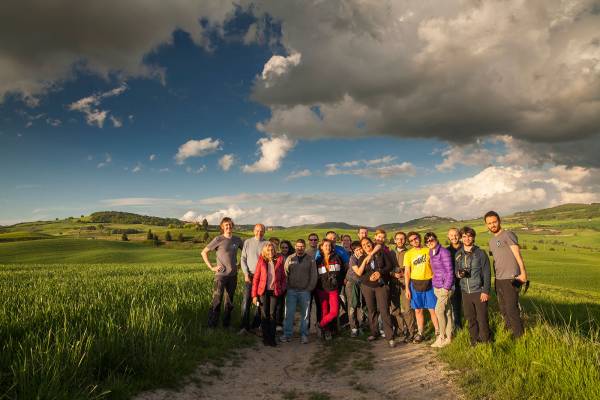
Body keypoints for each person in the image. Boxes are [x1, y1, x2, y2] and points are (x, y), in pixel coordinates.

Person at [485, 211, 527, 338]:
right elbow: (496, 259)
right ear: (486, 225)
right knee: (503, 308)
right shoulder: (492, 241)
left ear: (499, 221)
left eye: (494, 222)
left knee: (511, 308)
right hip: (499, 279)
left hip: (511, 278)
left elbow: (518, 255)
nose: (492, 225)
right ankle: (509, 330)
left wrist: (523, 273)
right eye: (489, 223)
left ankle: (518, 336)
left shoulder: (508, 235)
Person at [201, 217, 244, 328]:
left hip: (233, 275)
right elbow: (204, 252)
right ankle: (211, 326)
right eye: (226, 225)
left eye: (230, 225)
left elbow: (245, 253)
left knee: (229, 302)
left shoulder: (237, 240)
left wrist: (240, 265)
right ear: (222, 227)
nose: (228, 227)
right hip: (220, 276)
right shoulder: (218, 239)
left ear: (232, 226)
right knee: (217, 300)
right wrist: (211, 267)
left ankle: (226, 325)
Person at [355, 237, 395, 347]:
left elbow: (389, 266)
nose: (366, 245)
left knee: (384, 310)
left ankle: (389, 336)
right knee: (371, 310)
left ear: (371, 243)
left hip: (381, 286)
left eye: (368, 243)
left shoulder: (381, 253)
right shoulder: (362, 258)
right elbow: (360, 274)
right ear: (362, 248)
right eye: (363, 245)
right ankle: (374, 332)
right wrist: (369, 279)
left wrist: (379, 273)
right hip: (367, 286)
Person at [455, 226, 491, 346]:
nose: (467, 239)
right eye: (464, 236)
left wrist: (485, 291)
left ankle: (486, 340)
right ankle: (474, 340)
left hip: (478, 290)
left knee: (482, 318)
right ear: (461, 238)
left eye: (469, 236)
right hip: (465, 291)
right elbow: (456, 271)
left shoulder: (480, 253)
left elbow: (487, 273)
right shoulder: (458, 254)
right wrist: (459, 274)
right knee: (470, 318)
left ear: (473, 237)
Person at [404, 231, 439, 343]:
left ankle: (438, 331)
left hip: (429, 282)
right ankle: (420, 333)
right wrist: (407, 288)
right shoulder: (408, 254)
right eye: (411, 240)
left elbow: (435, 266)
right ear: (409, 243)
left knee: (432, 309)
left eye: (416, 238)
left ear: (419, 238)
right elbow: (407, 272)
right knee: (418, 310)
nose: (414, 241)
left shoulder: (428, 250)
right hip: (415, 284)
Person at [281, 239, 318, 344]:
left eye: (302, 246)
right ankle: (287, 334)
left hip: (305, 291)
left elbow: (314, 275)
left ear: (305, 247)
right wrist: (287, 286)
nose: (300, 248)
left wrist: (309, 288)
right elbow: (285, 273)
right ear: (295, 246)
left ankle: (304, 335)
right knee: (289, 313)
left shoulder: (310, 259)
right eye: (298, 246)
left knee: (305, 315)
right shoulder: (290, 258)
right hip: (291, 291)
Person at [252, 242, 286, 346]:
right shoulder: (261, 261)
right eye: (268, 250)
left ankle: (272, 338)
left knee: (272, 314)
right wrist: (254, 295)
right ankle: (265, 338)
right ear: (265, 252)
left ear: (275, 251)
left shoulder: (280, 260)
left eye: (272, 250)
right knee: (264, 314)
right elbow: (256, 278)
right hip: (263, 292)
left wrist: (282, 289)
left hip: (275, 291)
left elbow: (284, 278)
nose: (270, 252)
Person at [425, 232, 454, 348]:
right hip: (437, 285)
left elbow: (449, 272)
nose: (429, 242)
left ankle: (441, 337)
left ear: (436, 239)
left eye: (431, 240)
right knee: (447, 311)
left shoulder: (444, 252)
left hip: (445, 286)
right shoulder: (431, 252)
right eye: (427, 241)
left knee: (438, 310)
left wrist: (446, 288)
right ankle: (449, 337)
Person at [239, 223, 267, 334]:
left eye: (261, 231)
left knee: (259, 302)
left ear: (264, 232)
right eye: (257, 230)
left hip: (262, 277)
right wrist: (245, 273)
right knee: (246, 301)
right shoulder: (247, 242)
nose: (259, 233)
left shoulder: (267, 243)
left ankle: (255, 326)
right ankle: (244, 327)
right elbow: (243, 259)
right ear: (253, 231)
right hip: (250, 276)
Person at [390, 231, 417, 342]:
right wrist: (392, 273)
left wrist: (405, 274)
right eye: (398, 239)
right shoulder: (390, 253)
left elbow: (415, 268)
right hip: (393, 282)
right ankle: (400, 329)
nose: (400, 241)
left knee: (407, 308)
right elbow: (386, 267)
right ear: (395, 240)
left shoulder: (410, 252)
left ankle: (411, 331)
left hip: (406, 283)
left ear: (405, 240)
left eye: (402, 239)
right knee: (394, 308)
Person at [315, 239, 344, 341]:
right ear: (321, 247)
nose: (327, 247)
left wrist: (339, 284)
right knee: (324, 311)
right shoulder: (318, 261)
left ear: (331, 247)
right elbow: (315, 275)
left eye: (329, 245)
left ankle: (320, 324)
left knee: (334, 312)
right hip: (321, 289)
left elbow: (342, 272)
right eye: (325, 245)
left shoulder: (337, 258)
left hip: (333, 289)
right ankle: (327, 331)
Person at [346, 241, 366, 337]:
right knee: (352, 306)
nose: (358, 251)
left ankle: (362, 325)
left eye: (359, 248)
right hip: (352, 283)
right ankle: (354, 328)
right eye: (356, 250)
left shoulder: (365, 256)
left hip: (362, 283)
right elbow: (358, 272)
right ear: (353, 251)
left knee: (362, 305)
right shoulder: (353, 259)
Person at [275, 239, 293, 331]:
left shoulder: (292, 257)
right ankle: (278, 323)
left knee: (289, 305)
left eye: (286, 247)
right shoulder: (277, 257)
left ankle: (288, 323)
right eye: (282, 247)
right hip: (280, 284)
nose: (284, 249)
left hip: (290, 283)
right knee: (279, 304)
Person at [447, 228, 463, 331]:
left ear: (460, 235)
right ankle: (458, 326)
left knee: (468, 305)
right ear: (448, 237)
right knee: (455, 305)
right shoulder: (446, 251)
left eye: (456, 234)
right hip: (454, 282)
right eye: (451, 235)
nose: (454, 237)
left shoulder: (465, 248)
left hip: (467, 281)